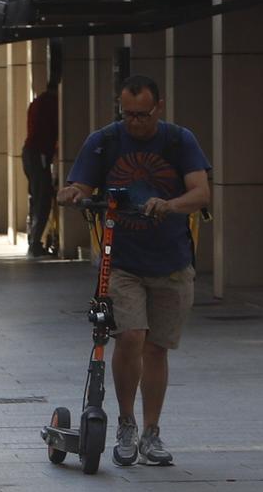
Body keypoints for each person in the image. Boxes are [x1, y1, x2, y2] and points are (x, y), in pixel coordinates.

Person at [57, 74, 212, 467]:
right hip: (121, 260)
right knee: (131, 338)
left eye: (142, 115)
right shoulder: (105, 140)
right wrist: (74, 193)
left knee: (157, 348)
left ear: (157, 109)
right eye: (128, 115)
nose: (135, 123)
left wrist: (170, 204)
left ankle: (151, 432)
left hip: (172, 260)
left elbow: (200, 192)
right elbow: (81, 185)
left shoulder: (179, 140)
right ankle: (125, 423)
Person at [22, 74, 59, 257]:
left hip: (31, 153)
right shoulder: (50, 104)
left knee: (36, 197)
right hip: (39, 155)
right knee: (42, 198)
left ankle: (33, 239)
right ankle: (35, 242)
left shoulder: (37, 102)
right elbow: (52, 130)